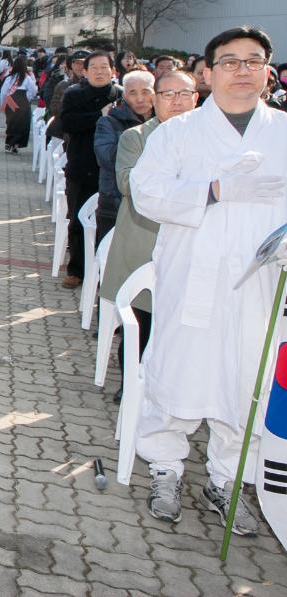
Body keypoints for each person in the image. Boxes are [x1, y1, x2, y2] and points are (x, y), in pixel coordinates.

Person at [130, 27, 287, 537]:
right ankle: (165, 467)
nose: (242, 71)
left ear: (268, 70)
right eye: (229, 61)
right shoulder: (178, 133)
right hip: (192, 276)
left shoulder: (282, 132)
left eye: (253, 61)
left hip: (260, 283)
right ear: (209, 71)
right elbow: (147, 194)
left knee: (246, 378)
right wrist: (215, 189)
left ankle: (228, 477)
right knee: (178, 369)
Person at [99, 70, 198, 402]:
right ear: (155, 101)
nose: (176, 103)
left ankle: (169, 392)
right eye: (168, 95)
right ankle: (131, 387)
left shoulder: (208, 140)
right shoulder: (137, 137)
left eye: (184, 95)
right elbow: (129, 185)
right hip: (144, 242)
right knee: (141, 321)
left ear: (197, 99)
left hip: (193, 248)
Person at [58, 50, 122, 289]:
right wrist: (99, 115)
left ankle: (104, 271)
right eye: (93, 67)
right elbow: (68, 123)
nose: (99, 71)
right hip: (81, 167)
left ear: (113, 70)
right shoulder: (74, 95)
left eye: (104, 67)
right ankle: (77, 270)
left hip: (112, 172)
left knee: (110, 224)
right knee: (78, 219)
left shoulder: (121, 96)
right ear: (84, 72)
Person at [93, 70, 154, 240]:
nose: (140, 99)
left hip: (154, 205)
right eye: (132, 93)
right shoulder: (110, 121)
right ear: (124, 95)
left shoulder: (166, 123)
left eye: (146, 92)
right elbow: (107, 157)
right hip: (115, 203)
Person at [0, 57, 37, 154]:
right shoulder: (28, 78)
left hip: (10, 101)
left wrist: (3, 103)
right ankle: (16, 144)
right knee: (22, 124)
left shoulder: (9, 77)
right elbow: (33, 91)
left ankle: (9, 143)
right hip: (23, 101)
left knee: (11, 123)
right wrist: (26, 99)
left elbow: (3, 92)